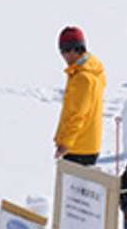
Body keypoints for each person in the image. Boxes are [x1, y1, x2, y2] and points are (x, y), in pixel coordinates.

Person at [54, 27, 106, 165]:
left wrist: (65, 143)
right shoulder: (91, 69)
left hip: (79, 147)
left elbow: (78, 114)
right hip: (86, 144)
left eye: (63, 51)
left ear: (73, 50)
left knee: (73, 186)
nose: (63, 56)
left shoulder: (83, 77)